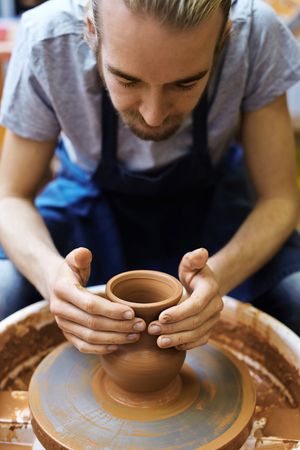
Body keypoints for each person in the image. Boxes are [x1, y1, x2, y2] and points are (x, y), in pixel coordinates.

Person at [0, 0, 300, 355]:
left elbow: (279, 199)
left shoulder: (255, 33)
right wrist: (52, 279)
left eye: (185, 83)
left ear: (224, 39)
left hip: (213, 204)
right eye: (127, 80)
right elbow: (10, 197)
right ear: (91, 32)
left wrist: (218, 277)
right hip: (89, 203)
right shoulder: (47, 39)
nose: (153, 116)